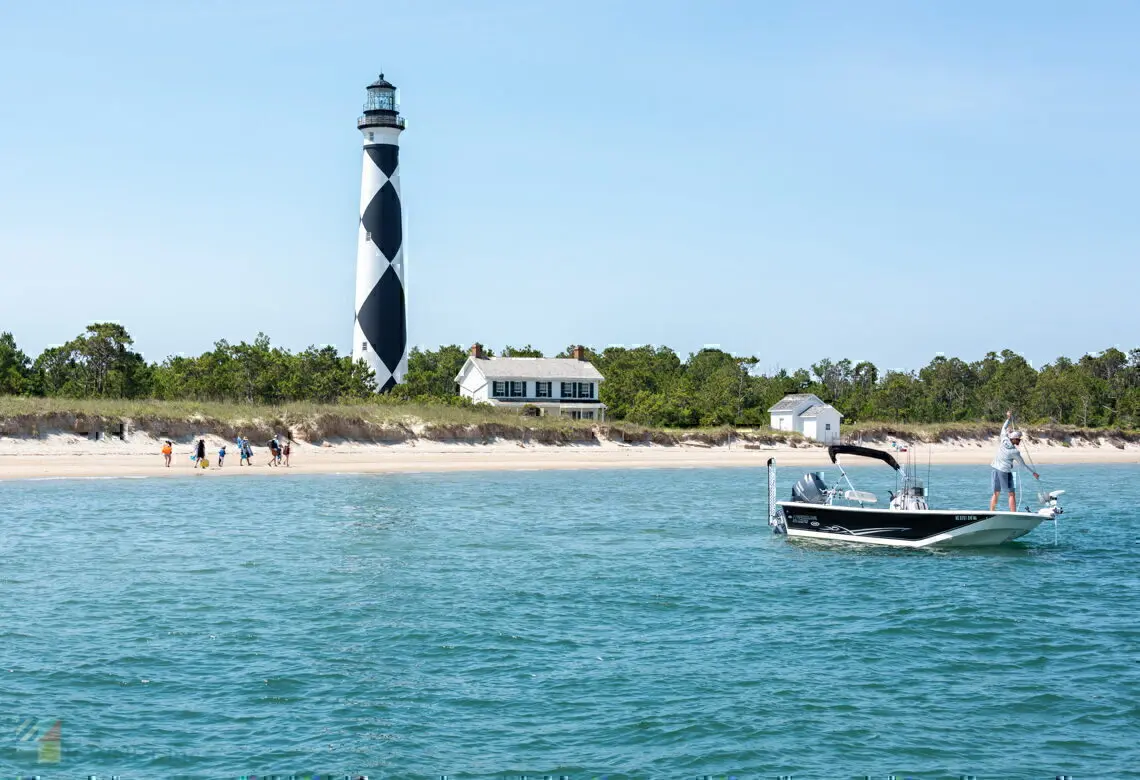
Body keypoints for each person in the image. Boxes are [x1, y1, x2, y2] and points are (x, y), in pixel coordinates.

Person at [990, 410, 1039, 512]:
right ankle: (1013, 513)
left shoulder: (1003, 438)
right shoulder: (1014, 451)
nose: (1019, 441)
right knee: (1011, 493)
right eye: (1019, 439)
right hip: (1005, 471)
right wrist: (1033, 473)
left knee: (996, 493)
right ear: (1014, 439)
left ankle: (991, 511)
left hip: (995, 468)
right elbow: (1023, 465)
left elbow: (1003, 428)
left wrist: (1008, 418)